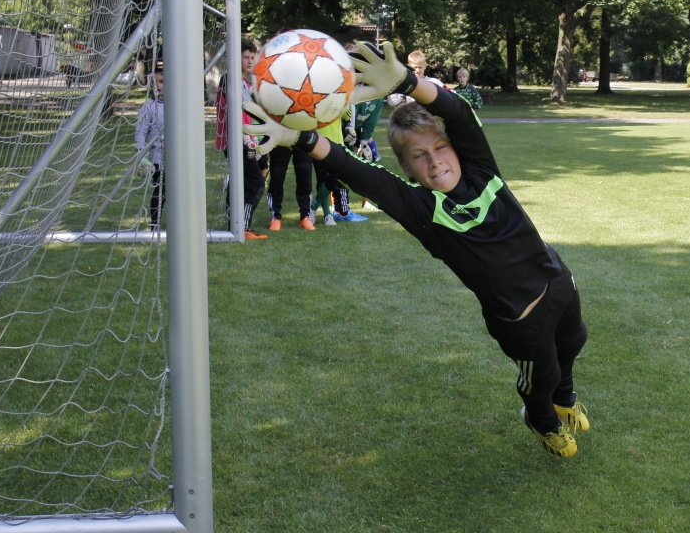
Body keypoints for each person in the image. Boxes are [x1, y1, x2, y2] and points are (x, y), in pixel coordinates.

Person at [243, 42, 590, 458]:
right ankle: (542, 419)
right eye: (419, 156)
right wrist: (299, 137)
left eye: (440, 148)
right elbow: (356, 169)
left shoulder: (481, 169)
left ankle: (565, 399)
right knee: (542, 373)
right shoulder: (422, 209)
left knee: (573, 341)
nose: (435, 161)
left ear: (456, 148)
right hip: (521, 321)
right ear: (407, 169)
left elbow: (458, 113)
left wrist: (409, 82)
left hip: (558, 281)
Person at [215, 40, 269, 239]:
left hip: (252, 140)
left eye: (252, 57)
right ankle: (243, 226)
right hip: (239, 141)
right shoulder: (229, 80)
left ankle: (234, 223)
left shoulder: (246, 83)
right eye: (245, 57)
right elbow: (234, 111)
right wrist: (247, 137)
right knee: (255, 182)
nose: (249, 61)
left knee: (246, 178)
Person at [134, 69, 165, 230]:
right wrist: (141, 152)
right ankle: (155, 224)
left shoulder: (179, 104)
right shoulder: (149, 106)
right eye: (155, 82)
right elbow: (141, 131)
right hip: (158, 157)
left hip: (178, 157)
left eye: (161, 82)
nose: (158, 86)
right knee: (162, 189)